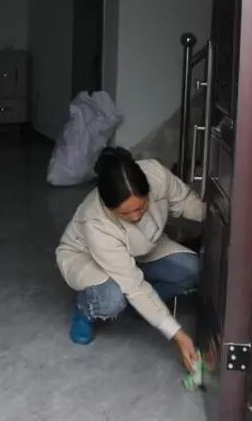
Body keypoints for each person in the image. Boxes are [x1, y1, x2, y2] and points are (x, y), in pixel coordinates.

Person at [55, 147, 205, 371]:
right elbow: (134, 286)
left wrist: (220, 217)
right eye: (124, 213)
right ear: (108, 206)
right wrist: (179, 335)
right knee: (112, 298)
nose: (135, 216)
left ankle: (139, 309)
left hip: (140, 248)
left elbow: (185, 202)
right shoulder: (95, 222)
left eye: (141, 207)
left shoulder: (157, 175)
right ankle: (86, 310)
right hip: (85, 256)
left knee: (193, 269)